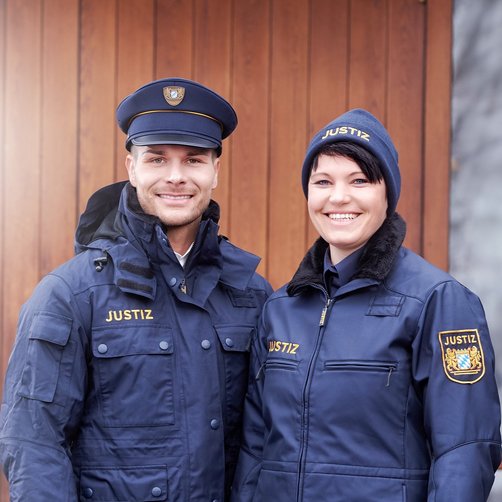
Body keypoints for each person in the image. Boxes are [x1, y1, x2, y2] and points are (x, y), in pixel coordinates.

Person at [0, 77, 272, 501]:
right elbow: (33, 440)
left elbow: (266, 441)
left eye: (194, 160)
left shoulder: (251, 294)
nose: (176, 177)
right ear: (131, 167)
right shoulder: (71, 295)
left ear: (216, 171)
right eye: (157, 159)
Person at [231, 109, 501, 501]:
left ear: (387, 193)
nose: (339, 197)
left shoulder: (438, 301)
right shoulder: (281, 309)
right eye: (323, 181)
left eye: (359, 180)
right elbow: (256, 448)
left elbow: (465, 448)